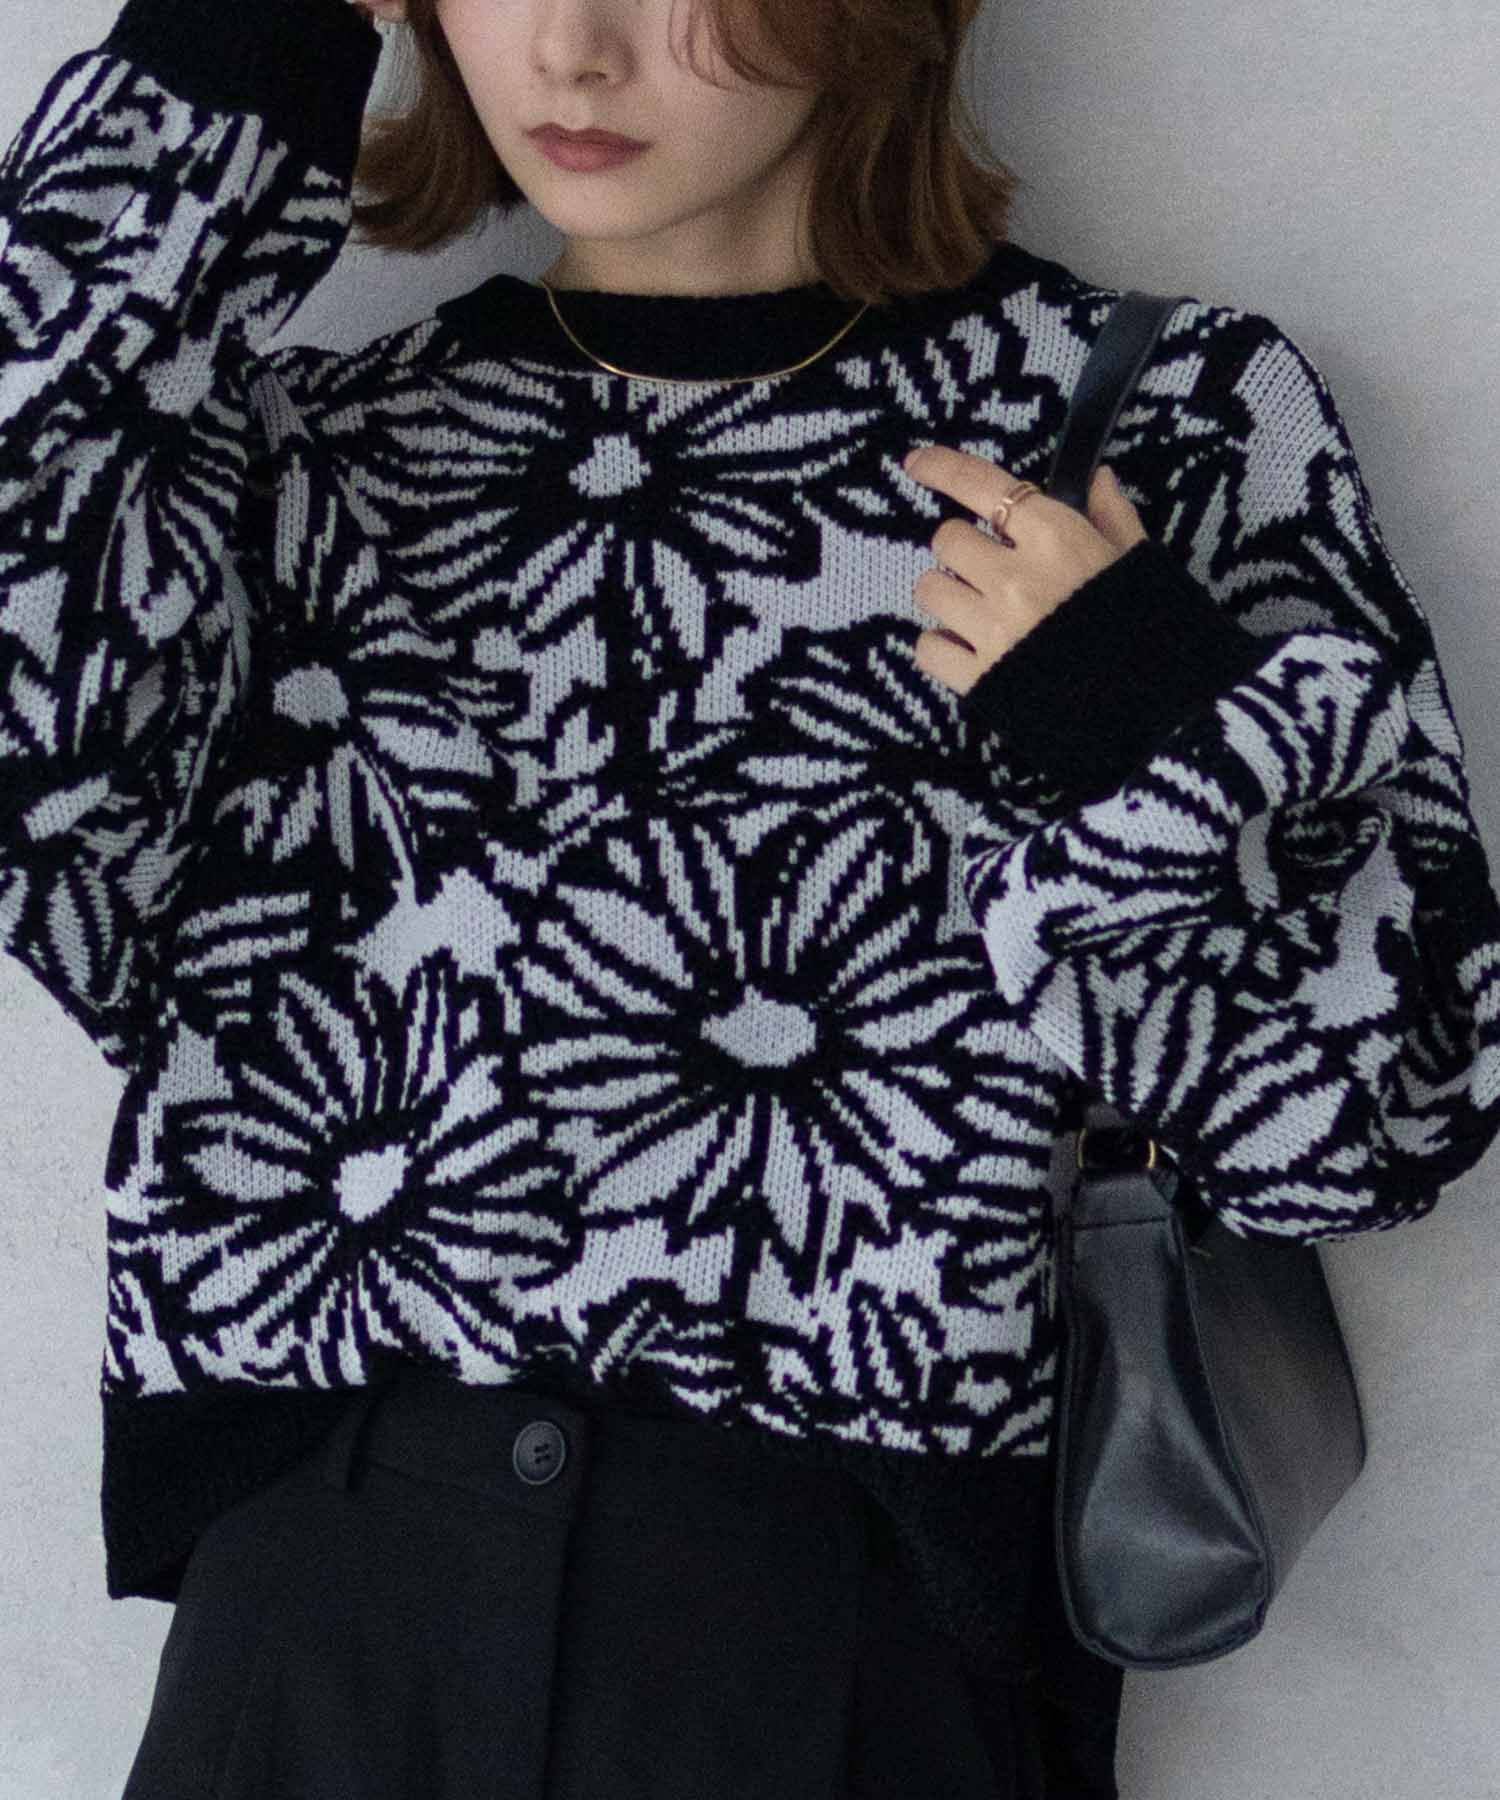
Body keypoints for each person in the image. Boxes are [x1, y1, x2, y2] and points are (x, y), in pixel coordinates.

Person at [2, 0, 1497, 1795]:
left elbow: (1383, 1116)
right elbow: (50, 791)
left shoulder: (1152, 416)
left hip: (856, 1642)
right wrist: (252, 35)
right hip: (324, 1625)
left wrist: (1129, 709)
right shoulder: (293, 455)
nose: (572, 48)